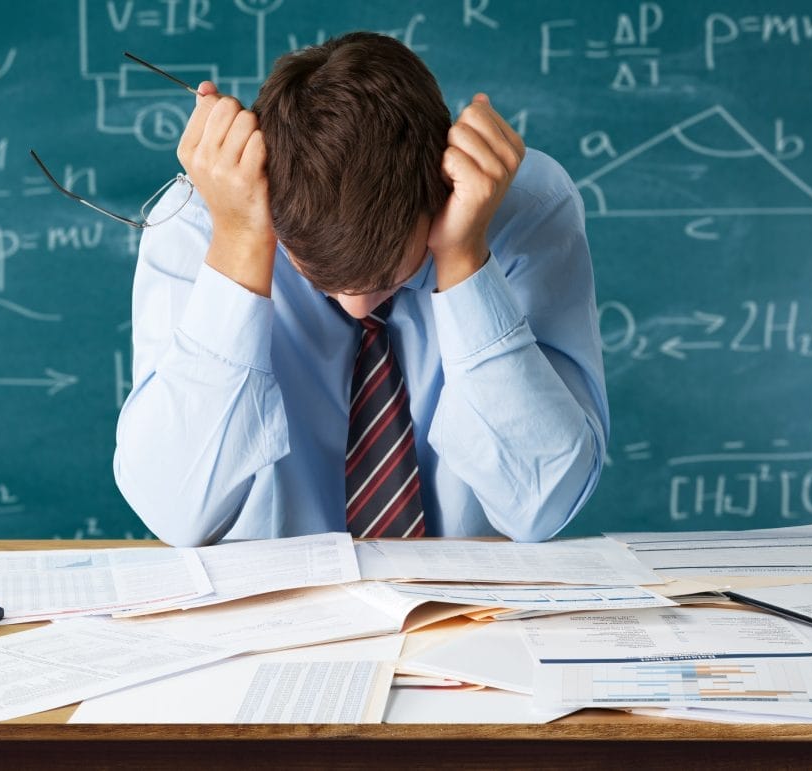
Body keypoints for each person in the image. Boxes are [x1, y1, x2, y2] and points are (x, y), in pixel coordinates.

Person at [114, 32, 609, 546]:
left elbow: (545, 504)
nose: (358, 305)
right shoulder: (197, 222)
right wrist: (240, 245)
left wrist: (464, 258)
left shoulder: (523, 206)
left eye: (390, 278)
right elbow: (174, 514)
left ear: (440, 191)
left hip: (469, 612)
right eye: (319, 277)